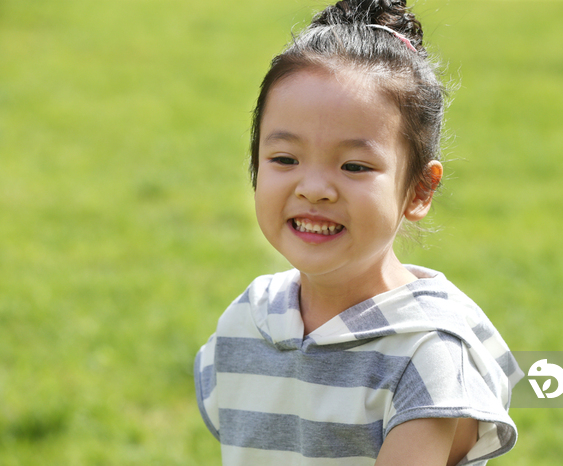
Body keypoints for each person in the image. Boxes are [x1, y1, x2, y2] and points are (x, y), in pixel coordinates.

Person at [194, 1, 522, 464]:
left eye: (354, 166)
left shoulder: (427, 354)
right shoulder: (247, 321)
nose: (314, 189)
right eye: (285, 159)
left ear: (419, 190)